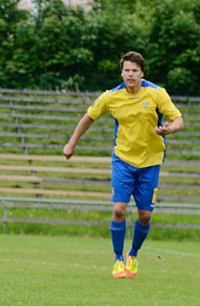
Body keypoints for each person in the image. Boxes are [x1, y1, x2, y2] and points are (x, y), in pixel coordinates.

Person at [63, 51, 183, 278]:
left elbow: (178, 119)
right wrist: (72, 142)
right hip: (123, 160)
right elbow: (89, 116)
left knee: (145, 215)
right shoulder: (111, 97)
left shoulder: (157, 94)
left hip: (151, 161)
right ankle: (118, 258)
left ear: (142, 73)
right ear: (122, 72)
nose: (130, 74)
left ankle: (133, 254)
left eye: (135, 71)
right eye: (127, 70)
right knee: (118, 209)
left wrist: (169, 128)